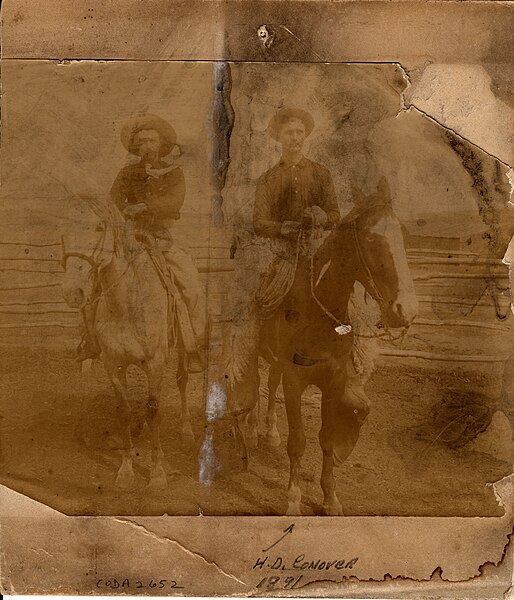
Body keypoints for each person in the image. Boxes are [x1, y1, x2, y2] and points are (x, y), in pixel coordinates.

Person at [78, 113, 206, 372]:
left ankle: (192, 346)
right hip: (128, 239)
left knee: (191, 288)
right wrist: (123, 213)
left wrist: (146, 206)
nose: (147, 146)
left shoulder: (174, 174)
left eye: (152, 140)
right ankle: (90, 341)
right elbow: (112, 202)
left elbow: (174, 202)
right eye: (142, 142)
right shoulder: (126, 173)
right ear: (136, 147)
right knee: (95, 284)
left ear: (161, 144)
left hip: (162, 240)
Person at [252, 107, 341, 317]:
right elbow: (259, 223)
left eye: (299, 132)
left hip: (319, 250)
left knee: (345, 303)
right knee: (264, 303)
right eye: (289, 132)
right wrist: (285, 228)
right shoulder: (268, 179)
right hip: (284, 254)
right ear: (279, 138)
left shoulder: (321, 174)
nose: (295, 138)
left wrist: (323, 217)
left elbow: (335, 214)